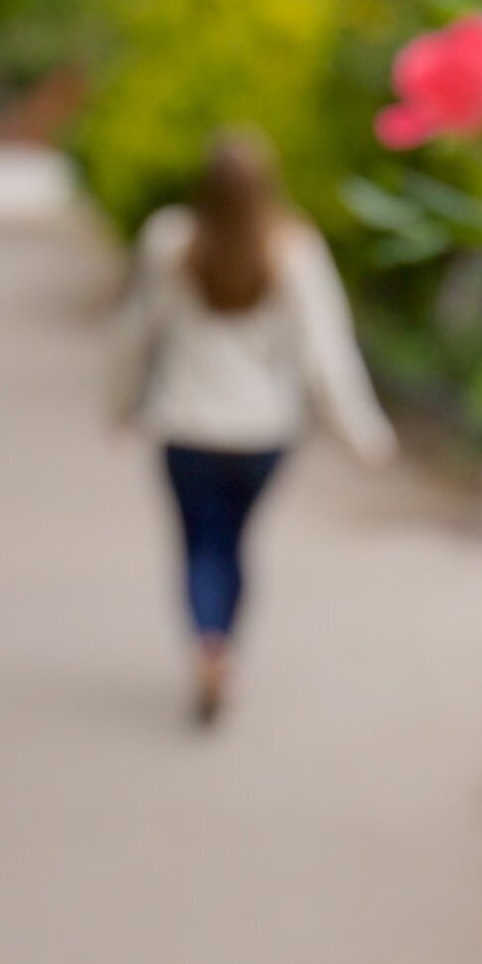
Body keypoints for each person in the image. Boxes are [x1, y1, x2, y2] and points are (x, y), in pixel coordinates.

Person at [104, 130, 395, 724]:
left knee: (200, 544)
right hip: (263, 434)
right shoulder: (294, 247)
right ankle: (224, 648)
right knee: (233, 543)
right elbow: (325, 353)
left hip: (186, 429)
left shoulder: (171, 240)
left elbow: (134, 334)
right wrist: (363, 435)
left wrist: (119, 405)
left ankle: (209, 643)